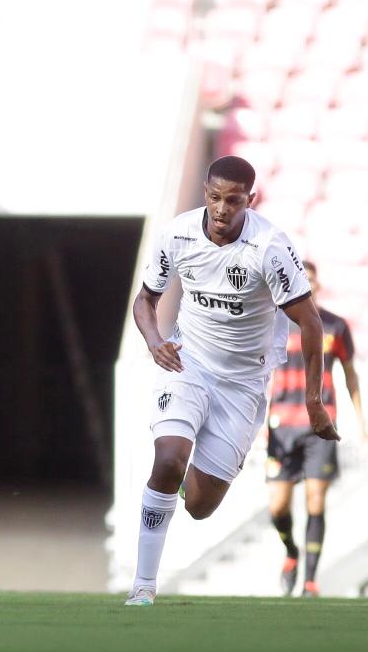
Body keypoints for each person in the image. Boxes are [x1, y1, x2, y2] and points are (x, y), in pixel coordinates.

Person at [126, 155, 338, 606]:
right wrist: (154, 341)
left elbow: (312, 324)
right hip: (188, 363)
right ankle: (143, 587)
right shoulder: (177, 235)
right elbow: (145, 300)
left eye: (234, 201)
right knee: (167, 459)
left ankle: (189, 482)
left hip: (243, 383)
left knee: (200, 507)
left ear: (251, 200)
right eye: (215, 197)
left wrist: (315, 402)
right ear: (205, 191)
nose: (222, 209)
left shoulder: (270, 248)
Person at [267, 260, 363, 597]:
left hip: (320, 427)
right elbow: (262, 375)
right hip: (282, 427)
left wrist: (360, 423)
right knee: (278, 506)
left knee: (315, 501)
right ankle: (291, 551)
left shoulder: (334, 326)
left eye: (310, 281)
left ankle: (310, 581)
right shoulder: (275, 323)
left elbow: (351, 375)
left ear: (317, 286)